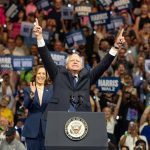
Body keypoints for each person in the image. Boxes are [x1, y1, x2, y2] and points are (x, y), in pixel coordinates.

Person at [33, 18, 125, 114]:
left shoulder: (87, 76)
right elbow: (46, 58)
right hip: (58, 118)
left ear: (82, 66)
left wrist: (115, 47)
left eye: (78, 61)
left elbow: (103, 65)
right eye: (72, 60)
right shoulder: (58, 73)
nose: (75, 62)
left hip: (81, 120)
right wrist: (39, 36)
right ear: (66, 65)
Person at [22, 65, 53, 150]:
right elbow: (26, 105)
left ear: (46, 76)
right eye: (39, 73)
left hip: (47, 128)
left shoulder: (51, 89)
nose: (41, 76)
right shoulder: (28, 89)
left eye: (44, 73)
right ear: (35, 75)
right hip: (32, 129)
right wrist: (32, 93)